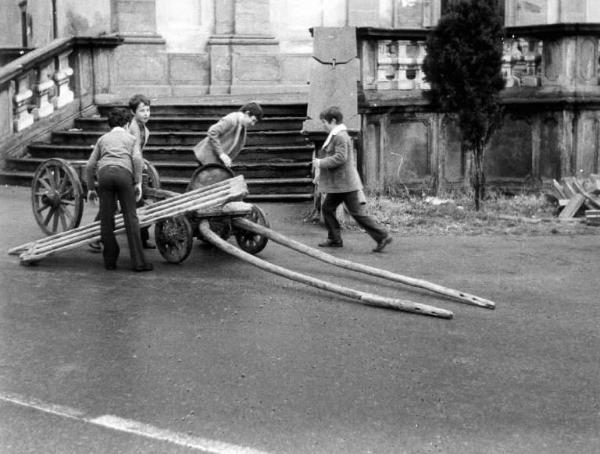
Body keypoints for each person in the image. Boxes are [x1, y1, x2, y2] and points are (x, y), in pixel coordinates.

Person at [312, 106, 392, 253]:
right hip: (341, 184)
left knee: (357, 213)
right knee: (327, 208)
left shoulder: (340, 136)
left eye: (324, 122)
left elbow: (340, 158)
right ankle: (335, 239)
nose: (323, 125)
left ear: (333, 121)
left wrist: (320, 163)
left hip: (346, 184)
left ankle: (382, 235)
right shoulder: (337, 135)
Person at [85, 107, 153, 272]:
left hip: (104, 176)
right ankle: (138, 263)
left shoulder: (103, 139)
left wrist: (91, 188)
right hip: (124, 175)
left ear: (109, 124)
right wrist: (137, 182)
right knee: (131, 218)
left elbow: (90, 165)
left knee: (107, 220)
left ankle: (110, 261)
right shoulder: (130, 138)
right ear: (127, 123)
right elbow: (137, 159)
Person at [193, 102, 263, 167]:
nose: (253, 124)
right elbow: (212, 132)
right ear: (247, 113)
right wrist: (221, 154)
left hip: (215, 161)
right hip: (207, 158)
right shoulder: (231, 120)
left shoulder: (242, 125)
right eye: (253, 120)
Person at [127, 93, 155, 249]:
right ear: (133, 112)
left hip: (134, 166)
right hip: (126, 167)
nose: (146, 114)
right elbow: (133, 152)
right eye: (142, 111)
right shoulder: (132, 127)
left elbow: (138, 151)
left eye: (148, 110)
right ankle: (96, 237)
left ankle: (143, 237)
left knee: (139, 202)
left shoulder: (145, 129)